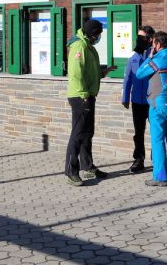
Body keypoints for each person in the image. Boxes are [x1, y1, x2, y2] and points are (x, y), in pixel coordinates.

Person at [64, 19, 116, 186]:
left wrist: (103, 72)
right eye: (99, 33)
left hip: (87, 95)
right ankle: (71, 172)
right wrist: (84, 94)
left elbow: (89, 72)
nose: (100, 36)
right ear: (93, 34)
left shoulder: (87, 45)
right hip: (81, 96)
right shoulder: (80, 46)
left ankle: (88, 167)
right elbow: (76, 73)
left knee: (87, 133)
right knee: (78, 134)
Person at [136, 31, 167, 186]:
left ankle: (160, 177)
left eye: (153, 44)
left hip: (158, 103)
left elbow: (139, 73)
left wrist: (150, 57)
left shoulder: (157, 58)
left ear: (157, 44)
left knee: (158, 141)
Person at [121, 26, 155, 173]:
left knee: (157, 130)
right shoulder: (133, 58)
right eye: (138, 37)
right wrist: (125, 97)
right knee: (138, 132)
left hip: (152, 100)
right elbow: (127, 79)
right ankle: (139, 159)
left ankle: (159, 158)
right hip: (137, 101)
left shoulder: (155, 56)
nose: (138, 40)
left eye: (142, 37)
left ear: (150, 38)